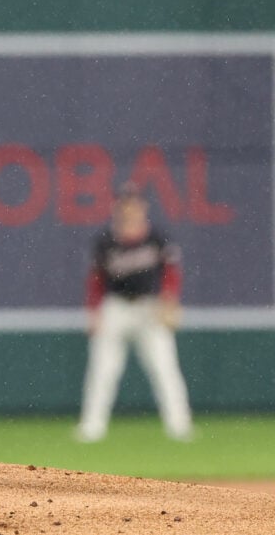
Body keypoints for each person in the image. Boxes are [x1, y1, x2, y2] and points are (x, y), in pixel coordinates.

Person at [75, 182, 194, 443]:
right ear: (117, 207)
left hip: (149, 307)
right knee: (103, 370)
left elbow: (172, 273)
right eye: (124, 203)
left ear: (143, 207)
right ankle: (91, 428)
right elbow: (95, 281)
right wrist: (93, 313)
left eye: (134, 203)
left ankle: (180, 426)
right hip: (115, 307)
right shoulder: (106, 241)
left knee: (165, 368)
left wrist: (170, 301)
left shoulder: (157, 238)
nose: (130, 208)